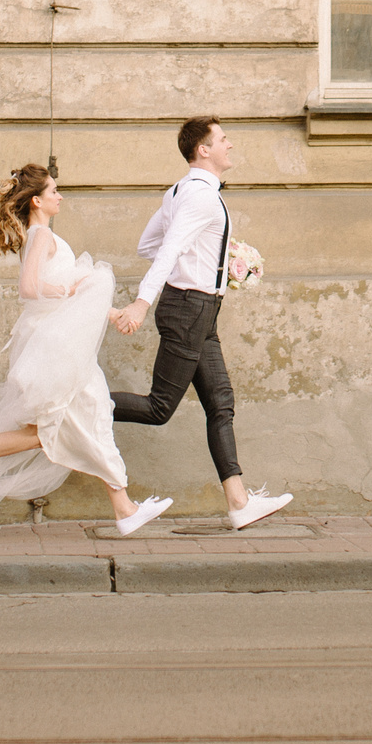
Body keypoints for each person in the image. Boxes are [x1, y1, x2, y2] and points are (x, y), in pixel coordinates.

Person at [0, 162, 172, 537]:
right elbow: (31, 288)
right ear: (38, 200)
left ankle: (124, 508)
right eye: (54, 191)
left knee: (86, 419)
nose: (60, 196)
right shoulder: (40, 235)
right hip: (57, 352)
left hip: (64, 350)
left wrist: (111, 312)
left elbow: (68, 286)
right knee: (58, 426)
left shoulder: (43, 236)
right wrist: (70, 290)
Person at [108, 117, 292, 530]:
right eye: (222, 138)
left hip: (199, 309)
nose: (230, 143)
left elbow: (148, 244)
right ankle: (83, 406)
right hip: (188, 308)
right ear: (203, 150)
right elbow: (167, 249)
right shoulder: (201, 197)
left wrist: (211, 262)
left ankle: (239, 502)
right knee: (159, 408)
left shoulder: (179, 190)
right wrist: (140, 303)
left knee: (220, 403)